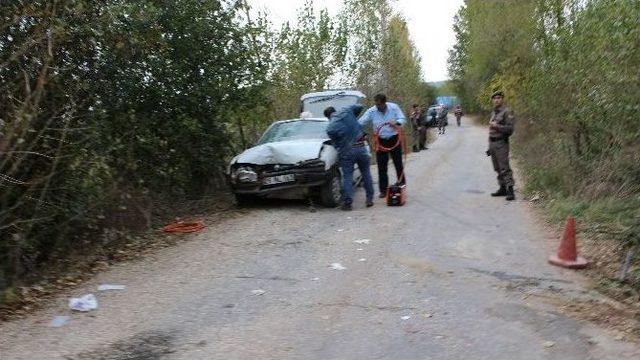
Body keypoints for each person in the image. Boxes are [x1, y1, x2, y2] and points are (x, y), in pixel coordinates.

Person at [325, 105, 375, 211]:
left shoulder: (330, 127)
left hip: (346, 152)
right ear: (335, 110)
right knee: (366, 173)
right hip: (361, 147)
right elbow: (360, 107)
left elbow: (335, 143)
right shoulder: (347, 110)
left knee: (347, 176)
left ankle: (347, 204)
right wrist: (354, 117)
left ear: (328, 117)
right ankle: (369, 199)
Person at [358, 93, 406, 198]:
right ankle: (383, 190)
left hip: (394, 138)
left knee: (398, 164)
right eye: (376, 104)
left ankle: (402, 185)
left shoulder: (394, 107)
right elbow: (361, 122)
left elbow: (403, 119)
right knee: (382, 166)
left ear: (384, 103)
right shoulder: (372, 111)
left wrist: (397, 122)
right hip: (380, 140)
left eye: (379, 104)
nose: (377, 106)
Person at [487, 91, 515, 201]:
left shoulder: (507, 112)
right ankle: (502, 188)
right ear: (492, 100)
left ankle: (510, 190)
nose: (497, 100)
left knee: (504, 167)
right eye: (494, 98)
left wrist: (497, 126)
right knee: (497, 167)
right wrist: (489, 147)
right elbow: (490, 130)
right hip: (493, 143)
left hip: (501, 143)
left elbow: (510, 129)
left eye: (499, 98)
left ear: (502, 99)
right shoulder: (494, 112)